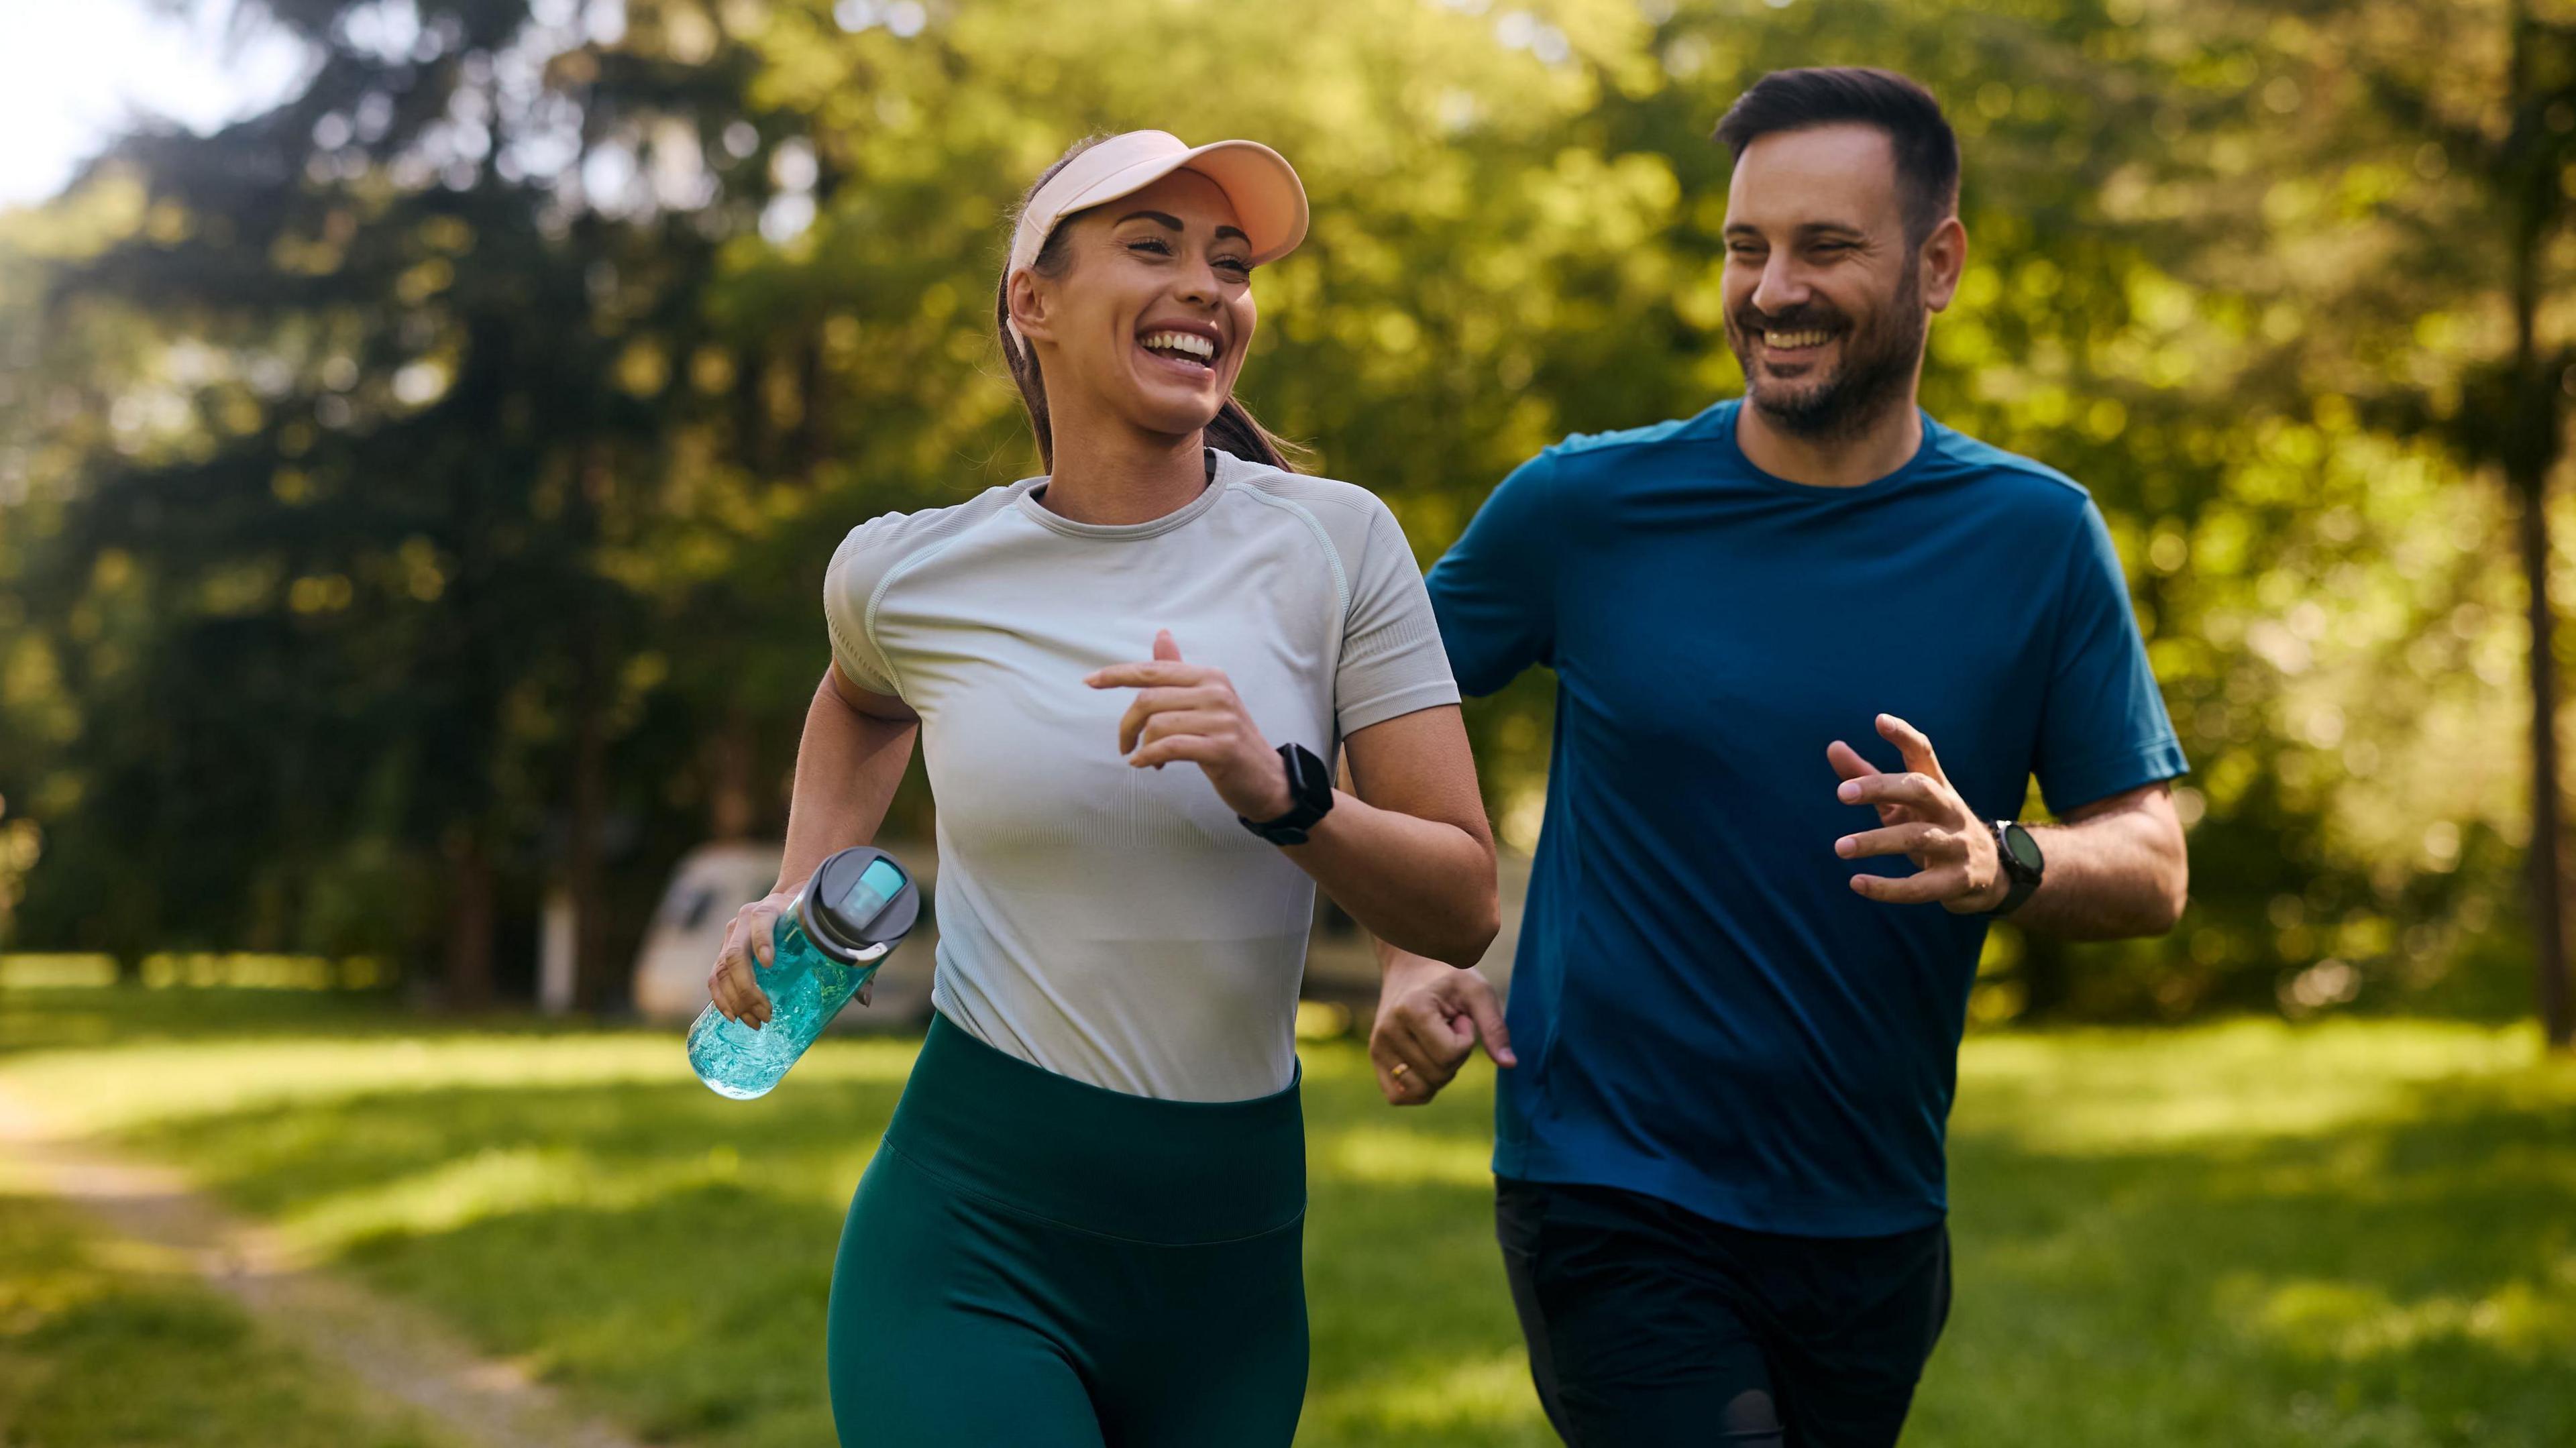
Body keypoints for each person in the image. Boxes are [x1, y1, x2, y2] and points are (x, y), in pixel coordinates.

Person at [1369, 68, 2192, 1447]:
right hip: (1609, 1183)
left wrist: (2003, 857)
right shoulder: (1584, 508)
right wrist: (1418, 936)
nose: (1771, 290)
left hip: (1870, 1215)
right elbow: (1378, 697)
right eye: (1746, 249)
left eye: (1825, 248)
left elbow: (2153, 860)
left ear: (1938, 265)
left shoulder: (2037, 539)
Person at [703, 131, 1499, 1447]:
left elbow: (1463, 898)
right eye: (1154, 247)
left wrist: (1280, 791)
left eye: (1230, 264)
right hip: (973, 1241)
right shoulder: (911, 574)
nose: (1209, 287)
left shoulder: (1338, 543)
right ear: (1034, 303)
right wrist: (801, 880)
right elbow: (859, 695)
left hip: (1231, 1268)